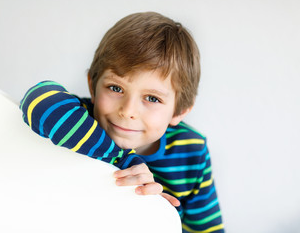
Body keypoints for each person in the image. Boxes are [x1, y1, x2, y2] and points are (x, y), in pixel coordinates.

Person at [20, 12, 224, 232]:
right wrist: (124, 161)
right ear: (93, 85)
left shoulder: (192, 151)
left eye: (152, 98)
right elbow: (40, 101)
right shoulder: (76, 120)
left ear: (179, 111)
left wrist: (156, 214)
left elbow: (207, 230)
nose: (127, 111)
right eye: (116, 88)